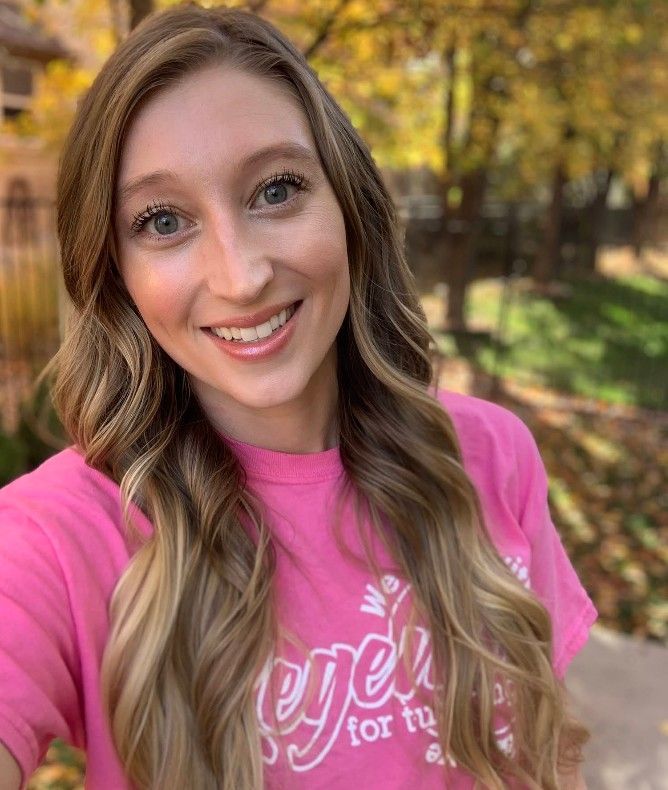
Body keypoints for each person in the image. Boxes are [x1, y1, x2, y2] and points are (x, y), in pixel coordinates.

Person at [0, 5, 597, 789]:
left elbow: (547, 748)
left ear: (348, 206)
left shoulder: (490, 454)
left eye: (276, 189)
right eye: (164, 220)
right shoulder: (57, 534)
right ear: (116, 271)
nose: (242, 275)